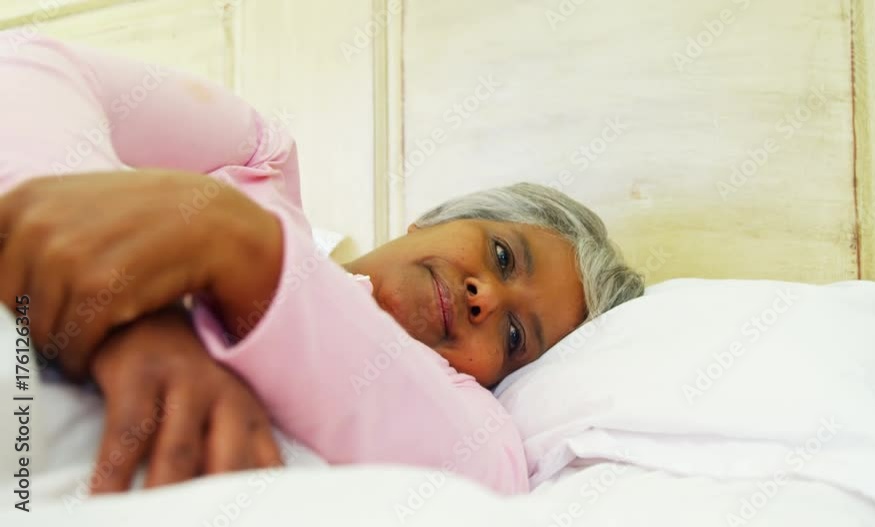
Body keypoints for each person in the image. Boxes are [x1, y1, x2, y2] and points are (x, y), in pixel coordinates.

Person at [0, 33, 644, 495]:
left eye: (515, 336)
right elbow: (28, 68)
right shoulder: (257, 161)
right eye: (501, 256)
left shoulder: (465, 427)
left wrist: (245, 252)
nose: (488, 299)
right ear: (433, 221)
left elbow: (488, 484)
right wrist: (133, 313)